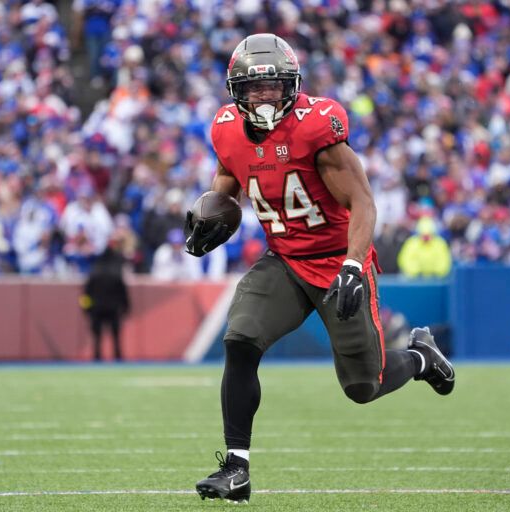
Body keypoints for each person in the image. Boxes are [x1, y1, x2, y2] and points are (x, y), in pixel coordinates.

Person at [183, 34, 456, 504]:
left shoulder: (316, 126)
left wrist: (353, 265)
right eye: (254, 88)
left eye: (273, 87)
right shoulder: (227, 129)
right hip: (285, 260)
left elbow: (362, 202)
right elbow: (227, 184)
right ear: (236, 91)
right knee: (240, 339)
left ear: (292, 86)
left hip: (336, 261)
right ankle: (237, 468)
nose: (264, 97)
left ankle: (420, 359)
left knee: (361, 387)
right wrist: (211, 214)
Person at [79, 244, 129, 361]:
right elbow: (123, 293)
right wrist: (126, 307)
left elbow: (86, 293)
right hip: (113, 308)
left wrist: (86, 308)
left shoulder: (94, 272)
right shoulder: (116, 272)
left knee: (97, 336)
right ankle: (118, 356)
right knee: (115, 335)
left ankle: (97, 356)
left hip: (97, 308)